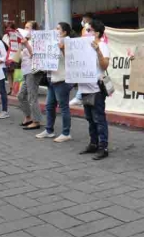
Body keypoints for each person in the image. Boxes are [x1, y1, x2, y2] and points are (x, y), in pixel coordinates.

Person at [77, 19, 110, 160]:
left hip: (96, 88)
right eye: (86, 30)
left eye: (89, 30)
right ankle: (93, 143)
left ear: (97, 33)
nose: (86, 32)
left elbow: (104, 66)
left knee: (99, 118)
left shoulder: (102, 46)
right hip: (85, 87)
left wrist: (97, 51)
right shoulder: (82, 46)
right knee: (90, 118)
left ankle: (103, 146)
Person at [36, 23, 75, 142]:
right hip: (52, 79)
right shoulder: (53, 42)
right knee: (49, 106)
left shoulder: (68, 43)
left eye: (58, 28)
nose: (55, 30)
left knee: (63, 107)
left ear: (64, 32)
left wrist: (62, 48)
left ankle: (66, 133)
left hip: (62, 79)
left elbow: (71, 59)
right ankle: (49, 130)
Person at [18, 21, 44, 130]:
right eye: (24, 27)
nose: (25, 29)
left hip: (33, 72)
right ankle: (28, 117)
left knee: (32, 96)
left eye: (27, 27)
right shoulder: (27, 40)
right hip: (25, 71)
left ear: (33, 30)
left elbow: (36, 55)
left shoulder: (37, 41)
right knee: (21, 95)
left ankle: (36, 121)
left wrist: (27, 45)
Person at [70, 13, 94, 107]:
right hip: (85, 56)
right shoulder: (84, 29)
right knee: (83, 78)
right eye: (83, 20)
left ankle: (79, 97)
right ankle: (80, 97)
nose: (83, 22)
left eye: (85, 20)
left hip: (89, 56)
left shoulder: (90, 29)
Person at [3, 23, 19, 95]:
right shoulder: (5, 37)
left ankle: (15, 89)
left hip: (16, 55)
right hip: (8, 55)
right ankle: (11, 88)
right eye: (6, 28)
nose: (7, 29)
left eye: (9, 28)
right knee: (9, 72)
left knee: (15, 72)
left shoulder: (17, 35)